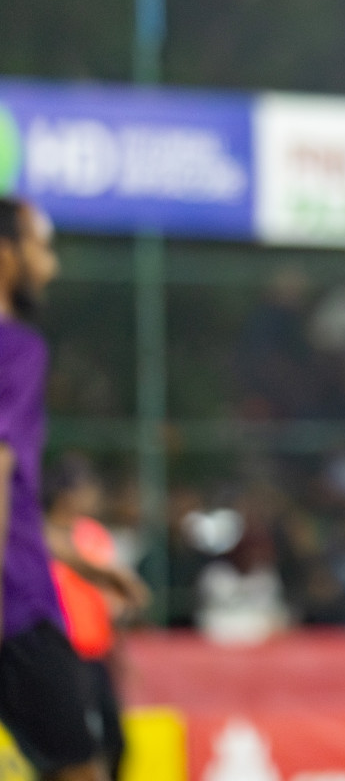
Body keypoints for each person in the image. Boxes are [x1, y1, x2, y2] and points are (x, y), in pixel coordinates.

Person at [0, 198, 116, 781]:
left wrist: (77, 560)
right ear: (5, 256)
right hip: (16, 611)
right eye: (42, 247)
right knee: (78, 770)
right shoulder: (16, 348)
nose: (51, 266)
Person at [45, 455, 149, 781]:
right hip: (61, 653)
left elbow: (107, 601)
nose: (94, 494)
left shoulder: (93, 533)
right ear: (67, 494)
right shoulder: (38, 537)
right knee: (69, 747)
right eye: (87, 487)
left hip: (97, 655)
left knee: (114, 742)